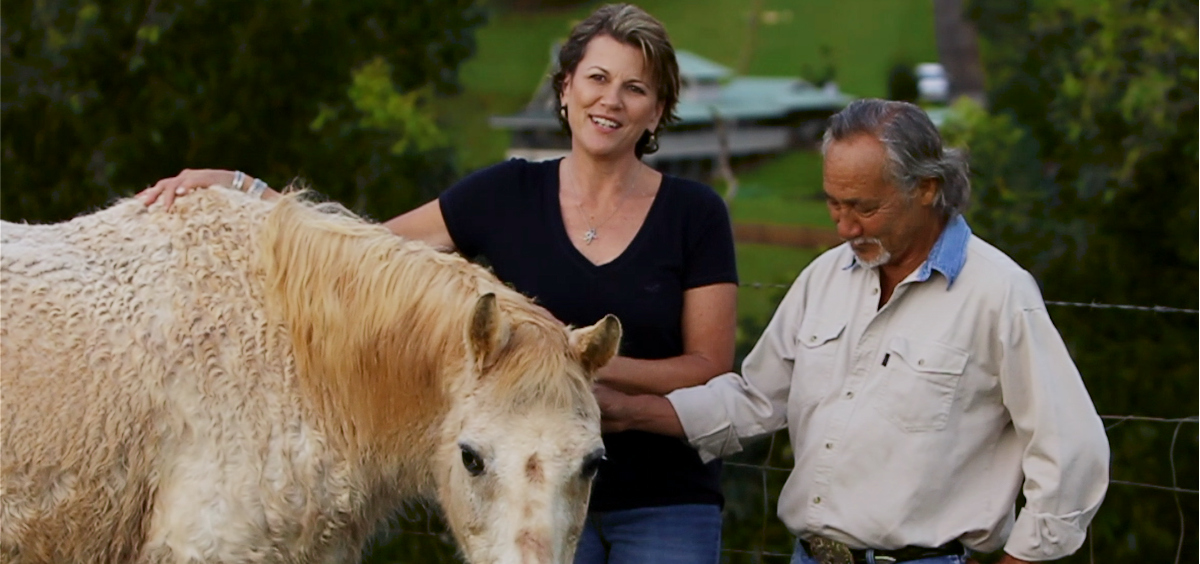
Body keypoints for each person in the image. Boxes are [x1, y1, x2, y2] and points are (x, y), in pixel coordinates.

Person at [137, 4, 737, 564]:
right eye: (597, 79)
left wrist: (569, 367)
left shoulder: (695, 213)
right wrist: (242, 187)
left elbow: (707, 365)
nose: (611, 100)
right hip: (521, 501)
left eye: (635, 88)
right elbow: (363, 255)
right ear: (565, 90)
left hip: (665, 503)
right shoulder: (504, 194)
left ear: (658, 111)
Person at [592, 99, 1110, 564]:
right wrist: (628, 411)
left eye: (864, 207)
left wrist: (1023, 558)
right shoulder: (824, 278)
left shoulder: (998, 293)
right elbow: (756, 401)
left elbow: (1073, 451)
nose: (844, 227)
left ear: (927, 189)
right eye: (834, 204)